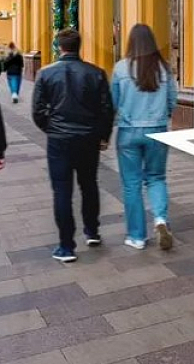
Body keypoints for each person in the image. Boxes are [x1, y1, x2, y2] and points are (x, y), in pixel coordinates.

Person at [32, 28, 114, 263]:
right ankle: (92, 232)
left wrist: (52, 129)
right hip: (88, 139)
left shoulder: (46, 74)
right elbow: (106, 109)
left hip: (59, 141)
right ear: (79, 46)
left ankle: (66, 246)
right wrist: (103, 136)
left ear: (59, 47)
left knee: (62, 191)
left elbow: (37, 110)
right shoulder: (96, 73)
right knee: (89, 185)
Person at [111, 24, 178, 251]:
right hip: (158, 130)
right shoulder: (163, 68)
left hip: (128, 132)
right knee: (156, 178)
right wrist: (163, 115)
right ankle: (160, 219)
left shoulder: (121, 68)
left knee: (132, 184)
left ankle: (137, 236)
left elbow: (113, 102)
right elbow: (172, 100)